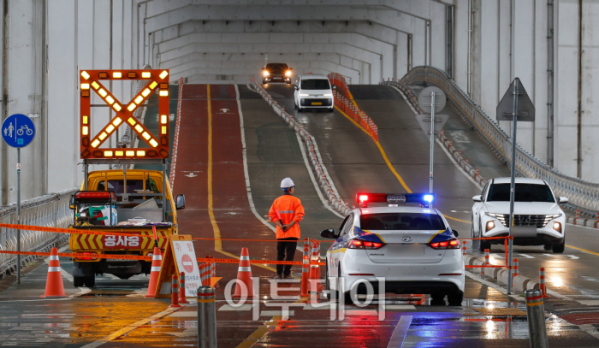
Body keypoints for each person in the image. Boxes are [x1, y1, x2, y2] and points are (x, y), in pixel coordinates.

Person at [268, 177, 305, 279]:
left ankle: (279, 274)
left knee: (280, 254)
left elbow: (271, 215)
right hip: (292, 233)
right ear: (290, 188)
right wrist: (289, 226)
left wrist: (280, 225)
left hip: (281, 233)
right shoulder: (296, 200)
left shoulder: (277, 201)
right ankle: (287, 274)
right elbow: (299, 216)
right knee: (290, 255)